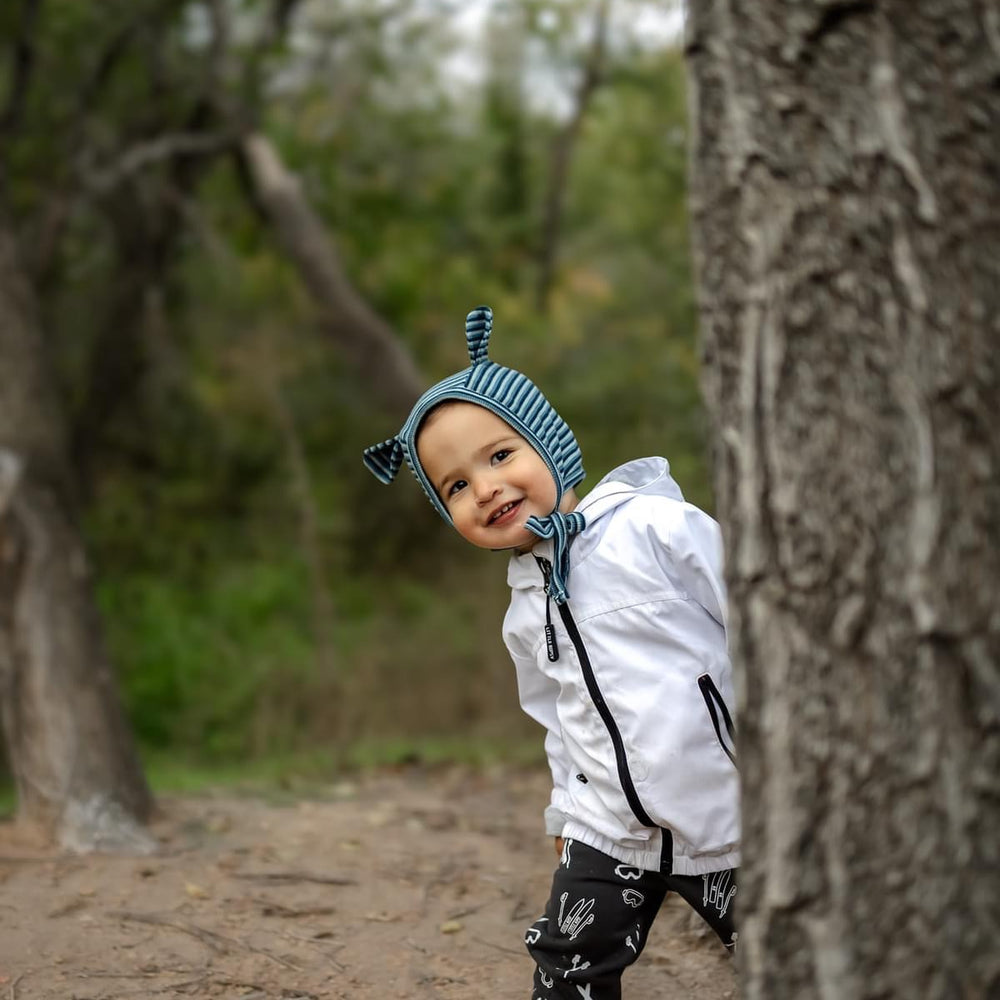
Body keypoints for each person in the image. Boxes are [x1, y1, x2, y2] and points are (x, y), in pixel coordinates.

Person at [364, 305, 740, 999]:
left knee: (782, 948)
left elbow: (754, 622)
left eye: (500, 455)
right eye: (455, 486)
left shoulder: (655, 529)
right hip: (609, 836)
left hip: (721, 815)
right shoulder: (523, 606)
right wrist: (568, 815)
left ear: (550, 442)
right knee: (568, 965)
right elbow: (560, 719)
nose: (486, 489)